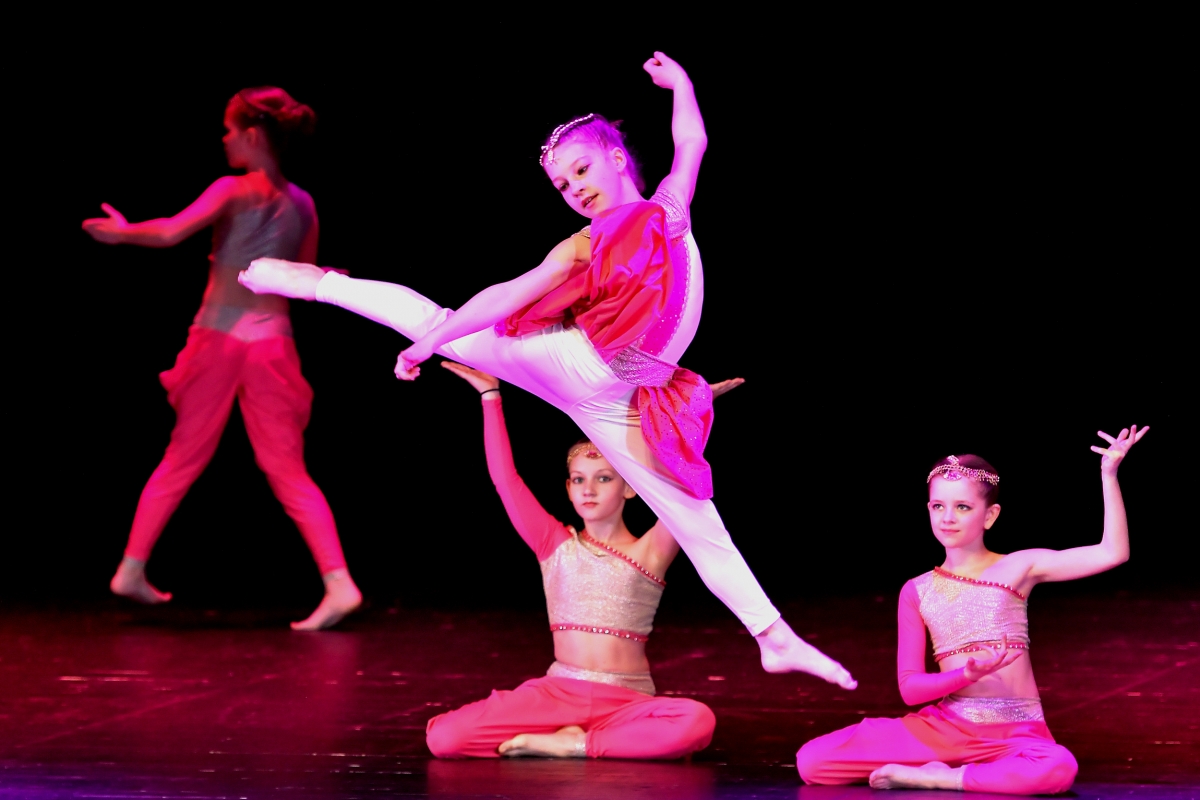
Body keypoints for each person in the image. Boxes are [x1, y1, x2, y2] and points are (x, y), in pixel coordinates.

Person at [238, 53, 855, 686]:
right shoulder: (587, 241)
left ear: (617, 158)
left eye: (582, 170)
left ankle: (773, 637)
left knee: (694, 514)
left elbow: (691, 140)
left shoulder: (670, 208)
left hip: (618, 395)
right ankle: (319, 284)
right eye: (562, 185)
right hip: (572, 365)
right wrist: (434, 345)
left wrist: (682, 84)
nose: (575, 189)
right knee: (436, 322)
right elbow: (509, 294)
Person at [82, 87, 361, 631]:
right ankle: (339, 582)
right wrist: (339, 281)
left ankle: (130, 569)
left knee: (181, 459)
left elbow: (170, 231)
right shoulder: (303, 203)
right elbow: (305, 279)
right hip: (271, 342)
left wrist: (121, 234)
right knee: (288, 470)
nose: (225, 138)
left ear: (252, 136)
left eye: (230, 130)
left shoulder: (232, 189)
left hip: (218, 340)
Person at [796, 425, 1148, 793]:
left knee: (1058, 767)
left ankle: (941, 776)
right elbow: (911, 689)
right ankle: (963, 770)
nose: (947, 517)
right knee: (813, 761)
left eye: (962, 507)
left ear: (990, 515)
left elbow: (1113, 552)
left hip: (1016, 735)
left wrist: (1109, 475)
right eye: (938, 506)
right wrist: (966, 675)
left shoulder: (1019, 566)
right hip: (944, 729)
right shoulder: (917, 590)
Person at [425, 363, 743, 758]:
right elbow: (506, 481)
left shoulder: (651, 550)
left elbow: (686, 488)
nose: (588, 489)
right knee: (444, 738)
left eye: (603, 478)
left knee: (697, 721)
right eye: (579, 479)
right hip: (555, 695)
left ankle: (574, 743)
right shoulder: (554, 544)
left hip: (625, 701)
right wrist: (490, 396)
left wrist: (689, 412)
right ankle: (579, 736)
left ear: (630, 487)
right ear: (568, 487)